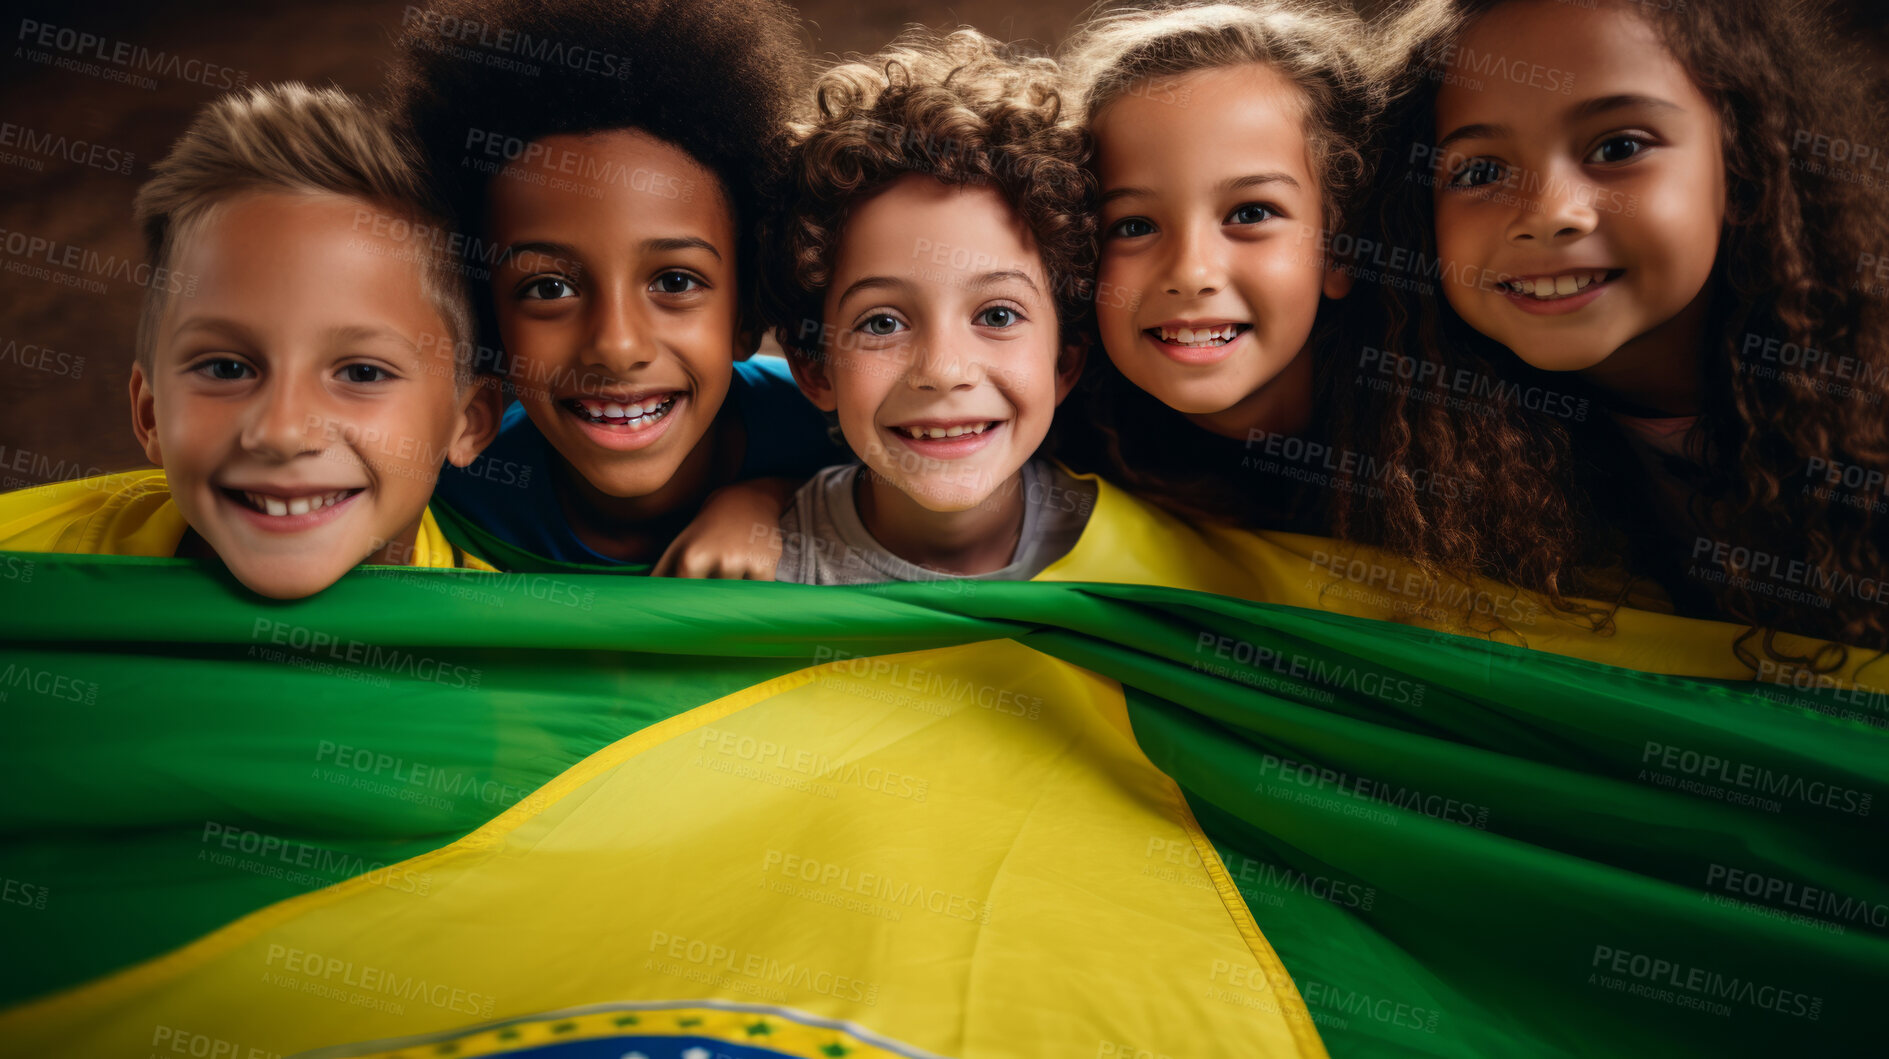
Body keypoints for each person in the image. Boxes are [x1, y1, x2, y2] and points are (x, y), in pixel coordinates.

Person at [0, 83, 501, 598]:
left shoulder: (522, 656)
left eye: (362, 373)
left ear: (468, 422)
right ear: (150, 414)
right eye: (226, 369)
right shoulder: (19, 574)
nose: (282, 432)